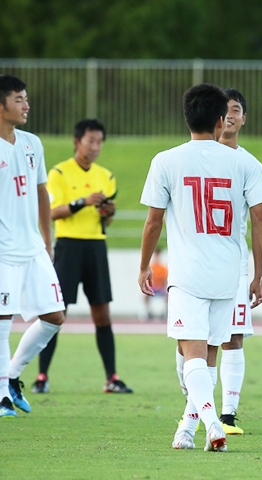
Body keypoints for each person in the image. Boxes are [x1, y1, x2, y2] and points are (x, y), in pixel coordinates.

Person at [138, 83, 262, 452]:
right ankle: (187, 427)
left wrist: (144, 266)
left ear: (187, 118)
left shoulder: (166, 160)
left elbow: (153, 222)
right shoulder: (245, 162)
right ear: (220, 120)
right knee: (209, 354)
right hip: (228, 274)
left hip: (187, 274)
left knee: (192, 356)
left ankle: (212, 422)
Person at [31, 119, 132, 395]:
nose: (96, 147)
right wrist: (82, 202)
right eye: (91, 141)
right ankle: (42, 376)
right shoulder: (59, 173)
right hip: (68, 247)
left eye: (100, 141)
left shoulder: (106, 176)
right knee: (55, 313)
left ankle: (112, 377)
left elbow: (106, 221)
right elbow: (51, 211)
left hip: (96, 247)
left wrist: (108, 212)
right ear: (77, 142)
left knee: (102, 314)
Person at [0, 73, 65, 418]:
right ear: (1, 105)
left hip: (33, 248)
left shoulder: (31, 143)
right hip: (3, 251)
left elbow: (42, 192)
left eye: (26, 98)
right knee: (2, 319)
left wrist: (47, 240)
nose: (26, 105)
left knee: (54, 316)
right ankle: (0, 397)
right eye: (19, 99)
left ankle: (10, 376)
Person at [217, 88, 262, 434]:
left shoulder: (250, 165)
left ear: (244, 118)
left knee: (232, 336)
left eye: (236, 109)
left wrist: (260, 272)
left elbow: (260, 220)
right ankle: (194, 404)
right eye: (224, 110)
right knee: (192, 340)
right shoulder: (188, 158)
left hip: (232, 263)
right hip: (194, 262)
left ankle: (228, 414)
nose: (230, 115)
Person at [144, 246, 168, 320]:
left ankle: (165, 312)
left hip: (160, 288)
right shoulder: (151, 266)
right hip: (153, 288)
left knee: (168, 296)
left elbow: (164, 280)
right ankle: (149, 312)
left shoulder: (163, 268)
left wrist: (161, 286)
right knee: (145, 296)